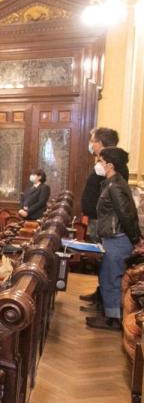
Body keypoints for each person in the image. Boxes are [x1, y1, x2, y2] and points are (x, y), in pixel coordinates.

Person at [87, 147, 139, 331]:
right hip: (112, 238)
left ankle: (113, 319)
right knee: (107, 276)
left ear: (109, 165)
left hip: (118, 239)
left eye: (100, 161)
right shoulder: (111, 183)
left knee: (112, 279)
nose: (98, 164)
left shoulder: (115, 186)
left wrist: (136, 240)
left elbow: (126, 215)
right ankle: (109, 315)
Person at [80, 128, 119, 307]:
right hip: (95, 218)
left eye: (93, 141)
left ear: (100, 143)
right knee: (100, 260)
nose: (91, 144)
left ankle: (104, 299)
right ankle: (100, 293)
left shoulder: (109, 164)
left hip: (101, 220)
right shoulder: (100, 163)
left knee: (104, 260)